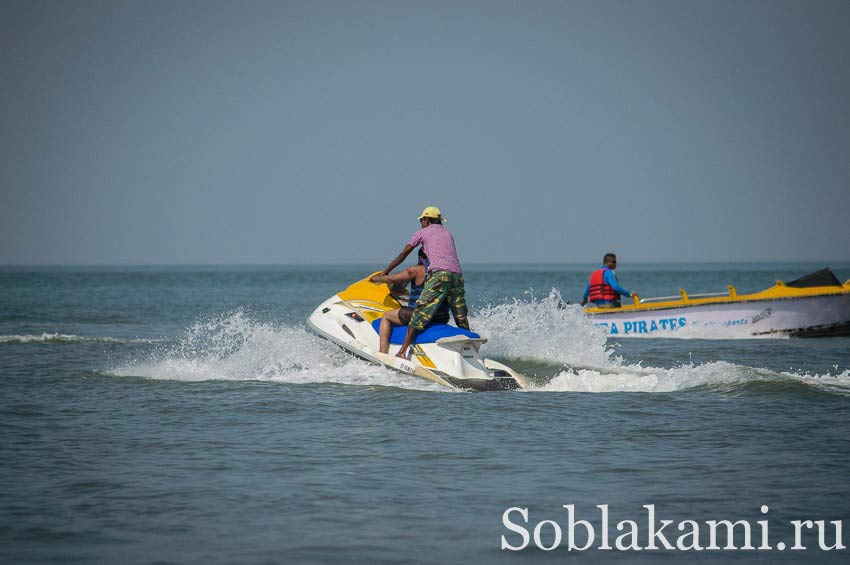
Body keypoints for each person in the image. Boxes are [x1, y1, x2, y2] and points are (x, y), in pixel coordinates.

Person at [377, 206, 468, 359]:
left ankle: (402, 352)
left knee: (419, 312)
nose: (420, 223)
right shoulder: (447, 232)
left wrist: (384, 273)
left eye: (421, 220)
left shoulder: (422, 233)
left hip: (440, 275)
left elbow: (404, 253)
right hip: (457, 275)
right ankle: (469, 347)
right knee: (460, 314)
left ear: (427, 220)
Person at [370, 249, 449, 354]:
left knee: (387, 316)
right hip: (441, 316)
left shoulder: (417, 270)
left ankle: (382, 352)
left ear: (421, 258)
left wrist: (376, 279)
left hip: (420, 315)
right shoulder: (446, 272)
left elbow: (392, 280)